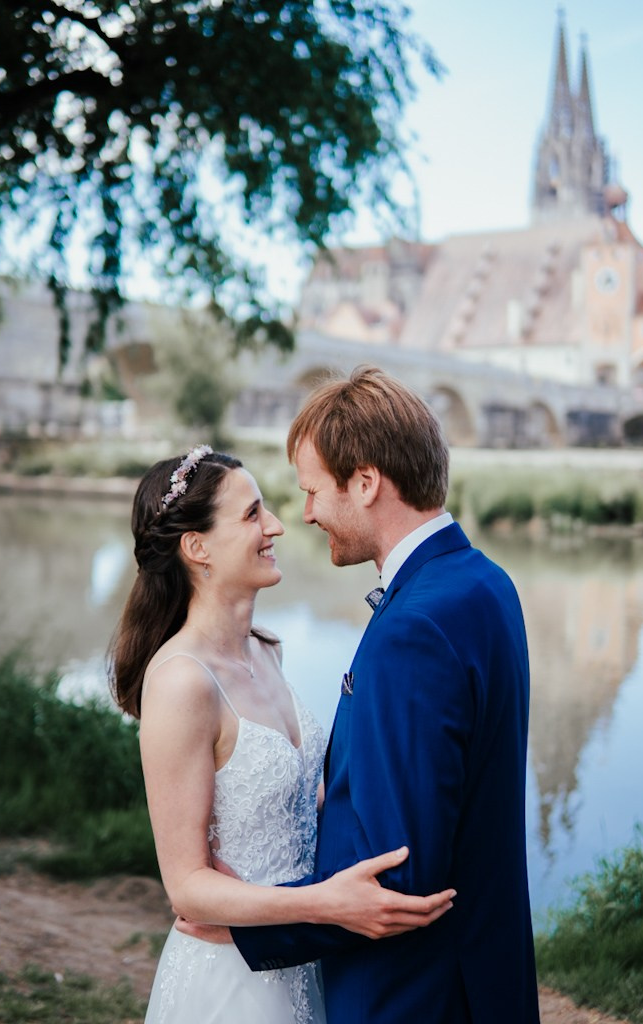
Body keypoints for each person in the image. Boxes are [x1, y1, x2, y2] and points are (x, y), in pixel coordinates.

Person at [221, 367, 541, 1023]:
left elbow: (395, 882)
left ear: (365, 482)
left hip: (413, 997)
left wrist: (241, 924)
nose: (305, 513)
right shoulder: (484, 583)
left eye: (313, 491)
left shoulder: (413, 629)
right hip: (484, 978)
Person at [108, 443, 455, 1024]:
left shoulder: (267, 651)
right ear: (197, 548)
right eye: (251, 515)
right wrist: (326, 904)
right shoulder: (180, 683)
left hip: (304, 964)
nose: (276, 526)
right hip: (228, 982)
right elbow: (186, 888)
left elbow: (299, 800)